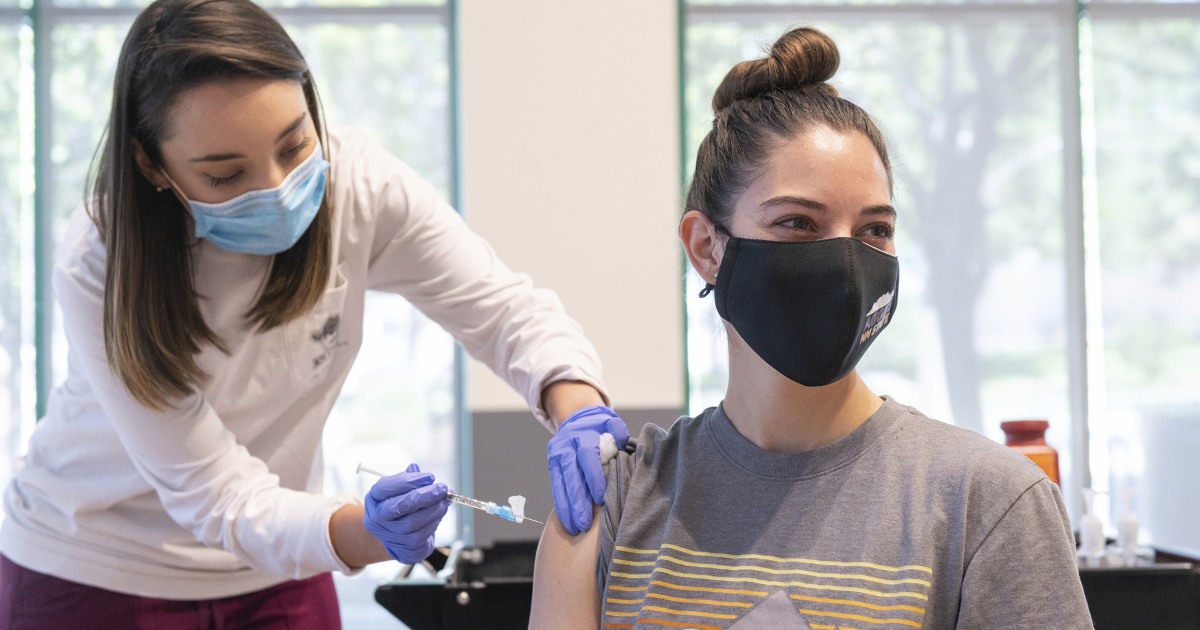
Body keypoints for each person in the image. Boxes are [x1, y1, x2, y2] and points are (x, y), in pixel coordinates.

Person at [0, 0, 627, 626]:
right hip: (92, 568)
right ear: (150, 164)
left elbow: (502, 310)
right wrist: (372, 533)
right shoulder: (100, 259)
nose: (276, 186)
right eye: (224, 175)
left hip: (281, 567)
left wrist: (577, 406)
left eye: (295, 144)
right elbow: (219, 496)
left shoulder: (360, 187)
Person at [530, 26, 1093, 629]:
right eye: (798, 222)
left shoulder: (987, 503)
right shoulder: (613, 499)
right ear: (706, 247)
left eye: (874, 230)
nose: (846, 265)